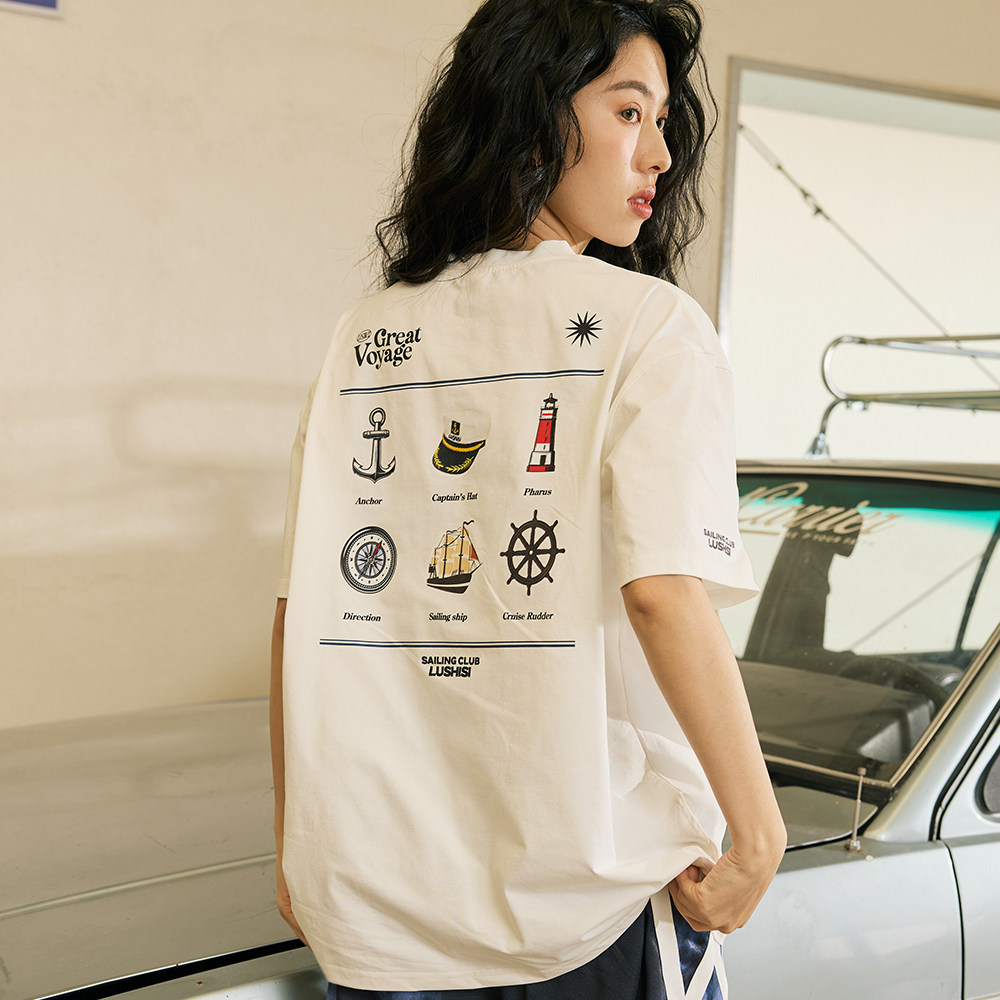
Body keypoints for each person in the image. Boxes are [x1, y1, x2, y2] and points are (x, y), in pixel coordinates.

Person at [270, 1, 787, 997]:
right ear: (533, 111)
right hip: (586, 906)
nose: (660, 155)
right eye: (628, 113)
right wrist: (758, 834)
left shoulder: (364, 336)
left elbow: (304, 612)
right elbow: (662, 593)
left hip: (382, 908)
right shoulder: (649, 326)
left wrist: (299, 837)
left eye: (663, 121)